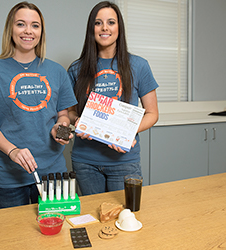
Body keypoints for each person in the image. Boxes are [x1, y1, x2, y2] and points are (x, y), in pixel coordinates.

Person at [0, 1, 77, 208]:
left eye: (35, 25)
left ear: (41, 31)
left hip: (52, 172)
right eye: (21, 24)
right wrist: (13, 151)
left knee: (54, 236)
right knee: (14, 238)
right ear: (10, 29)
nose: (28, 31)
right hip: (8, 175)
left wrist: (61, 127)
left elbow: (63, 115)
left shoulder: (56, 71)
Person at [68, 1, 159, 195]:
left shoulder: (139, 66)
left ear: (119, 28)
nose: (104, 28)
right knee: (94, 217)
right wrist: (78, 121)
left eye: (111, 22)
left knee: (126, 218)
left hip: (124, 160)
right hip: (86, 162)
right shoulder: (76, 69)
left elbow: (152, 114)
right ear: (91, 28)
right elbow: (70, 111)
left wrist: (128, 132)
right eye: (98, 22)